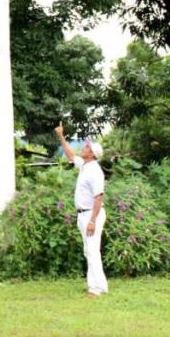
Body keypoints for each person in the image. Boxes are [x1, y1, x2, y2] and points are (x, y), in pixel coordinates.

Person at [55, 124, 108, 298]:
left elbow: (98, 197)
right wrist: (61, 137)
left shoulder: (95, 171)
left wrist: (92, 221)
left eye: (87, 147)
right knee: (89, 250)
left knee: (92, 251)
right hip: (83, 214)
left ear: (92, 154)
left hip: (90, 215)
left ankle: (96, 289)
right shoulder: (85, 165)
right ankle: (98, 285)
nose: (84, 147)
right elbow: (71, 155)